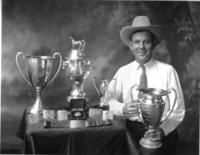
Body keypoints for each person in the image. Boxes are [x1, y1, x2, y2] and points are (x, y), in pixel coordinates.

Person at [106, 16, 185, 155]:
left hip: (163, 131)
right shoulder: (123, 72)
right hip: (131, 132)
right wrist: (122, 108)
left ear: (153, 44)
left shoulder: (168, 71)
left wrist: (161, 130)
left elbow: (178, 111)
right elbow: (107, 101)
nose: (141, 47)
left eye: (146, 42)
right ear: (131, 45)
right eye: (137, 42)